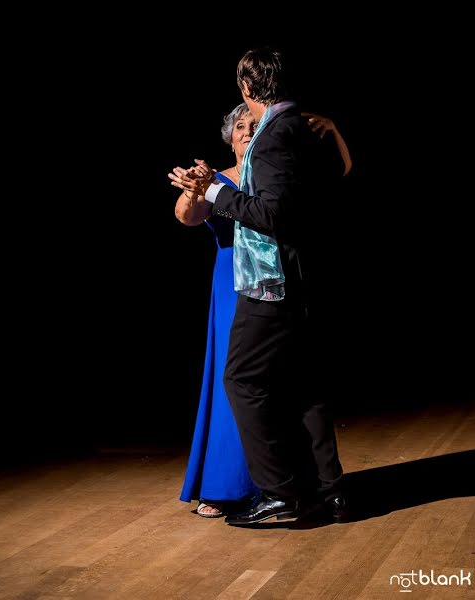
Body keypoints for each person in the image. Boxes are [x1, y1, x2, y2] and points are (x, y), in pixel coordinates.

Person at [170, 47, 348, 526]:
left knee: (242, 379)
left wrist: (217, 192)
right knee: (306, 387)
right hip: (303, 278)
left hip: (272, 283)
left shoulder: (273, 140)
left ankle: (282, 494)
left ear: (247, 90)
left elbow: (272, 215)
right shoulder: (302, 133)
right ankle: (328, 491)